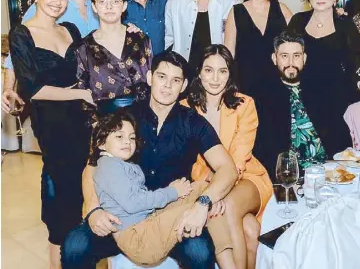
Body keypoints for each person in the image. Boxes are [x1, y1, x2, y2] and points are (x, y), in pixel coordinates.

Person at [61, 50, 238, 269]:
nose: (167, 86)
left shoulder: (193, 122)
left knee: (200, 253)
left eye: (175, 80)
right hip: (123, 215)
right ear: (150, 77)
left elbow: (228, 169)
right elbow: (92, 165)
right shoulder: (125, 117)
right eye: (161, 77)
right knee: (74, 247)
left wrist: (203, 203)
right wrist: (93, 209)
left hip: (171, 214)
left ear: (183, 86)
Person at [8, 0, 94, 268]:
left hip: (84, 121)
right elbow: (34, 88)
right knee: (63, 196)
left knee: (89, 190)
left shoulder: (70, 29)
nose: (57, 2)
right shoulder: (22, 33)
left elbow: (92, 64)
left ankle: (82, 256)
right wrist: (80, 93)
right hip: (53, 124)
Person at [90, 110, 235, 268]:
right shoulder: (108, 166)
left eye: (131, 137)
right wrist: (172, 193)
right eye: (119, 136)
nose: (127, 142)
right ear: (101, 143)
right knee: (198, 207)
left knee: (203, 189)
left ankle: (226, 262)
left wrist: (207, 199)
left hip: (147, 222)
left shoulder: (122, 164)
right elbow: (133, 203)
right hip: (137, 238)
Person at [181, 44, 273, 269]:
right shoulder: (184, 108)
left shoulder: (244, 104)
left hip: (247, 178)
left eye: (222, 71)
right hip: (205, 182)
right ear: (199, 72)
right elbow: (186, 160)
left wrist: (219, 189)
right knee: (250, 231)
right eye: (209, 70)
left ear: (230, 74)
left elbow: (240, 157)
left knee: (229, 205)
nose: (215, 78)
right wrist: (211, 190)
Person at [2, 0, 98, 137]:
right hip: (50, 111)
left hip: (86, 109)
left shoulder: (99, 7)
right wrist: (7, 87)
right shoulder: (40, 9)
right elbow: (19, 56)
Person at [253, 32, 351, 179]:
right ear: (274, 58)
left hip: (327, 170)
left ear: (304, 58)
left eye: (296, 56)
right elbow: (261, 148)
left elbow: (340, 133)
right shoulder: (262, 97)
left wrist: (340, 163)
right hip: (287, 174)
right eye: (284, 56)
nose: (291, 62)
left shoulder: (321, 91)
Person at [287, 0, 360, 123]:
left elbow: (354, 66)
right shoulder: (297, 21)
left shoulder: (346, 25)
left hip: (336, 100)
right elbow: (286, 56)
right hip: (300, 97)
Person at [75, 0, 152, 113]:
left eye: (115, 1)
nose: (109, 6)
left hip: (143, 118)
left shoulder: (140, 39)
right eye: (102, 1)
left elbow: (152, 82)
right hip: (106, 123)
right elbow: (82, 93)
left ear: (124, 6)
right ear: (94, 6)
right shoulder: (83, 48)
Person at [224, 0, 293, 96]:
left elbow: (298, 45)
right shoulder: (236, 12)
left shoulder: (282, 10)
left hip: (279, 86)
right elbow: (229, 55)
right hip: (245, 86)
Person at [164, 0, 240, 71]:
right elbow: (167, 41)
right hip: (184, 75)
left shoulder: (231, 4)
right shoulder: (174, 3)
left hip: (217, 76)